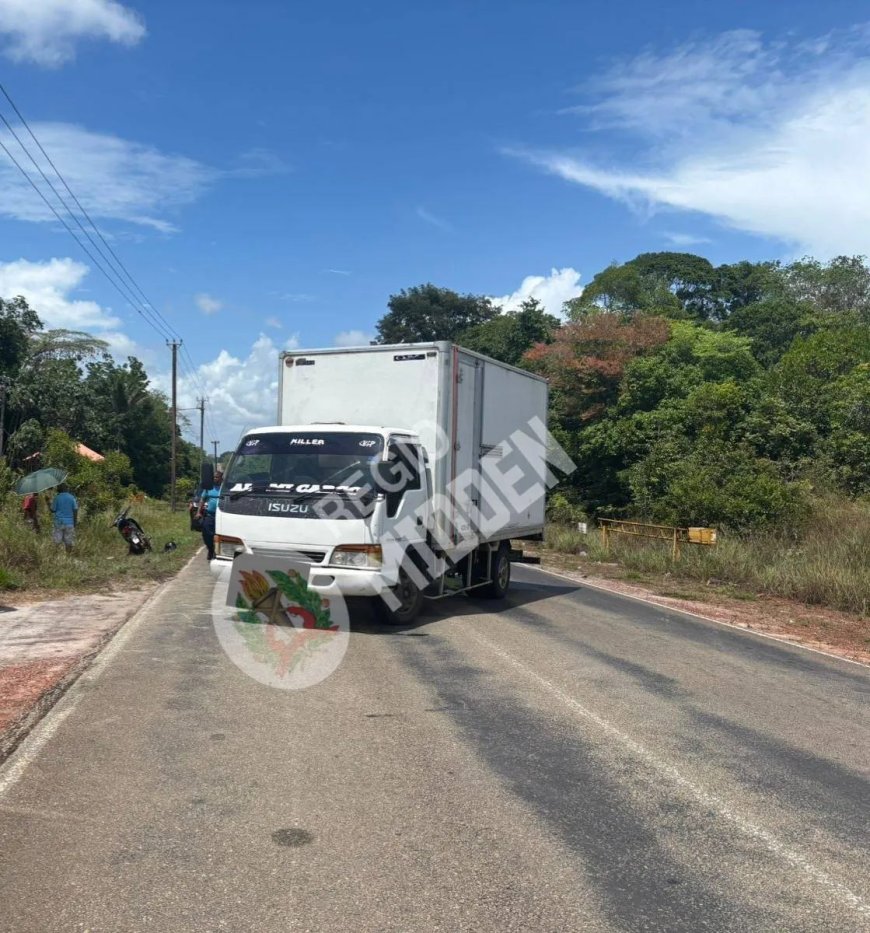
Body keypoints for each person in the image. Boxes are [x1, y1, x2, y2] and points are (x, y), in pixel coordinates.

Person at [198, 470, 223, 560]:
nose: (215, 479)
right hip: (209, 515)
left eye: (217, 477)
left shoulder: (224, 488)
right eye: (214, 477)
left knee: (220, 535)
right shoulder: (209, 488)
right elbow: (202, 499)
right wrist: (198, 512)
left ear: (221, 478)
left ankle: (218, 552)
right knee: (206, 533)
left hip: (222, 516)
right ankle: (211, 549)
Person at [49, 483, 78, 553]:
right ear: (66, 489)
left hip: (58, 522)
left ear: (60, 489)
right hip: (69, 522)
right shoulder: (72, 497)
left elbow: (53, 510)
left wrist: (48, 502)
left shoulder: (57, 498)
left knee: (57, 541)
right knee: (69, 541)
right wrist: (75, 522)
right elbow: (75, 510)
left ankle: (55, 556)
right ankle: (68, 557)